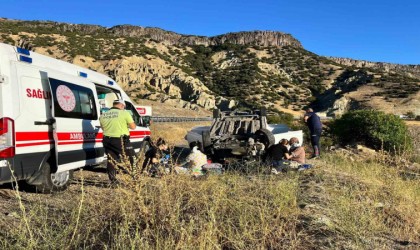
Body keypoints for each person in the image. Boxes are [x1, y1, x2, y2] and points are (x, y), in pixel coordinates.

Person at [100, 99, 136, 184]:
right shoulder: (124, 113)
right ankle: (135, 178)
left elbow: (103, 128)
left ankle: (113, 180)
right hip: (121, 140)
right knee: (133, 157)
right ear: (122, 105)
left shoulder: (103, 115)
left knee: (111, 159)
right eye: (124, 107)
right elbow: (133, 127)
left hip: (107, 140)